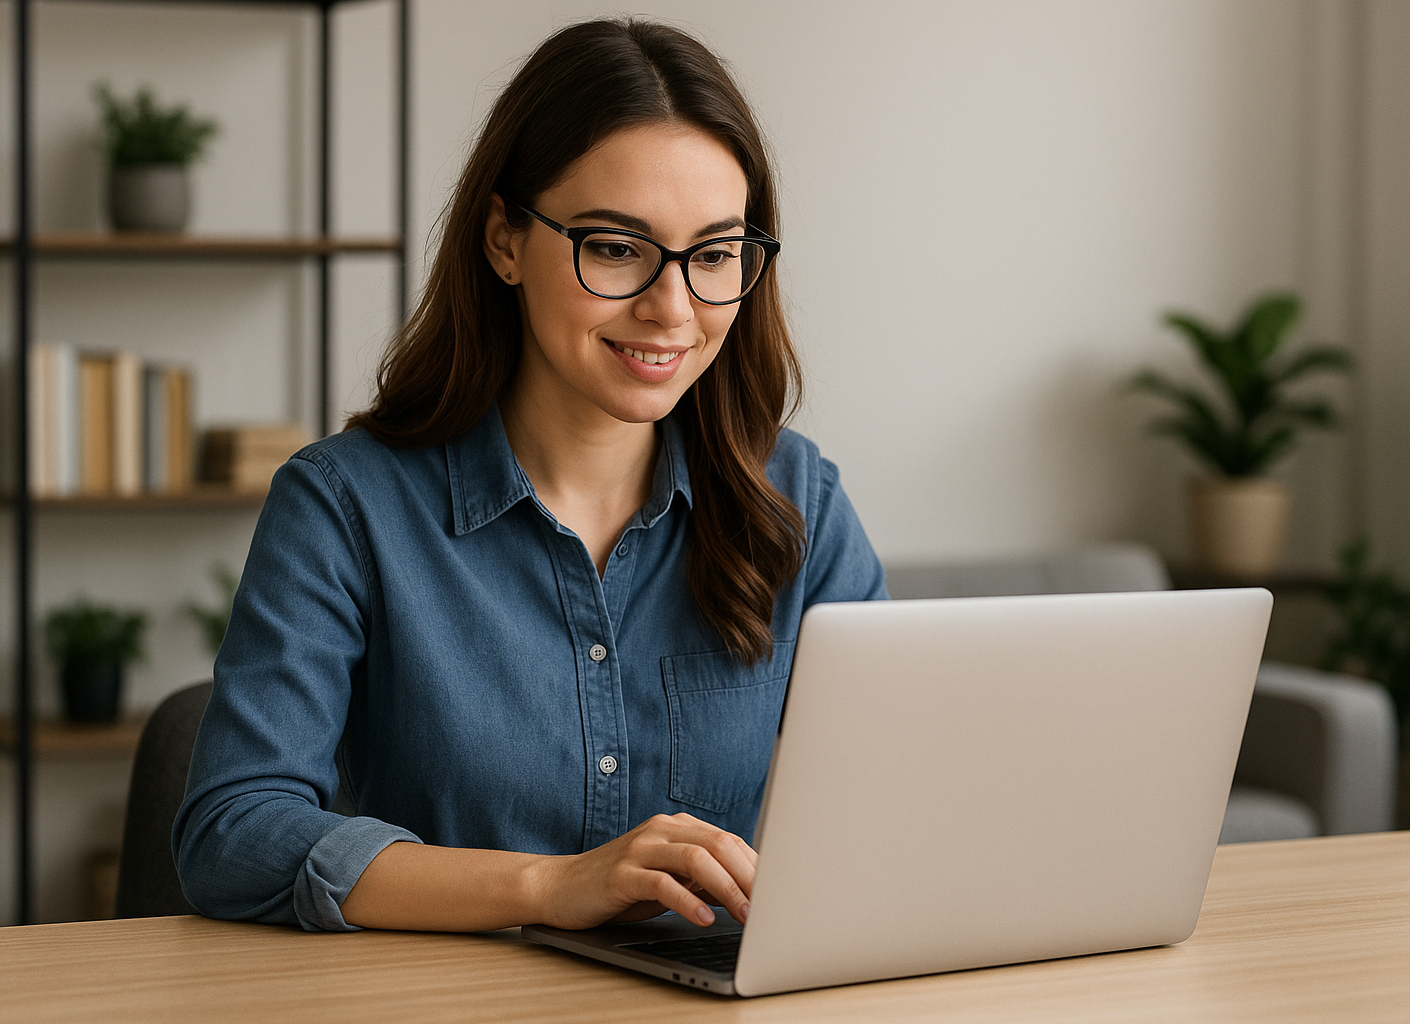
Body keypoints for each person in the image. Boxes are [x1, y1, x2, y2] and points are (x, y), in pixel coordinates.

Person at [173, 18, 886, 934]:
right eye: (617, 248)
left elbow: (901, 800)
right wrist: (549, 887)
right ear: (505, 240)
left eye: (713, 255)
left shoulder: (798, 501)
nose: (673, 308)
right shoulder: (345, 506)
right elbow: (233, 834)